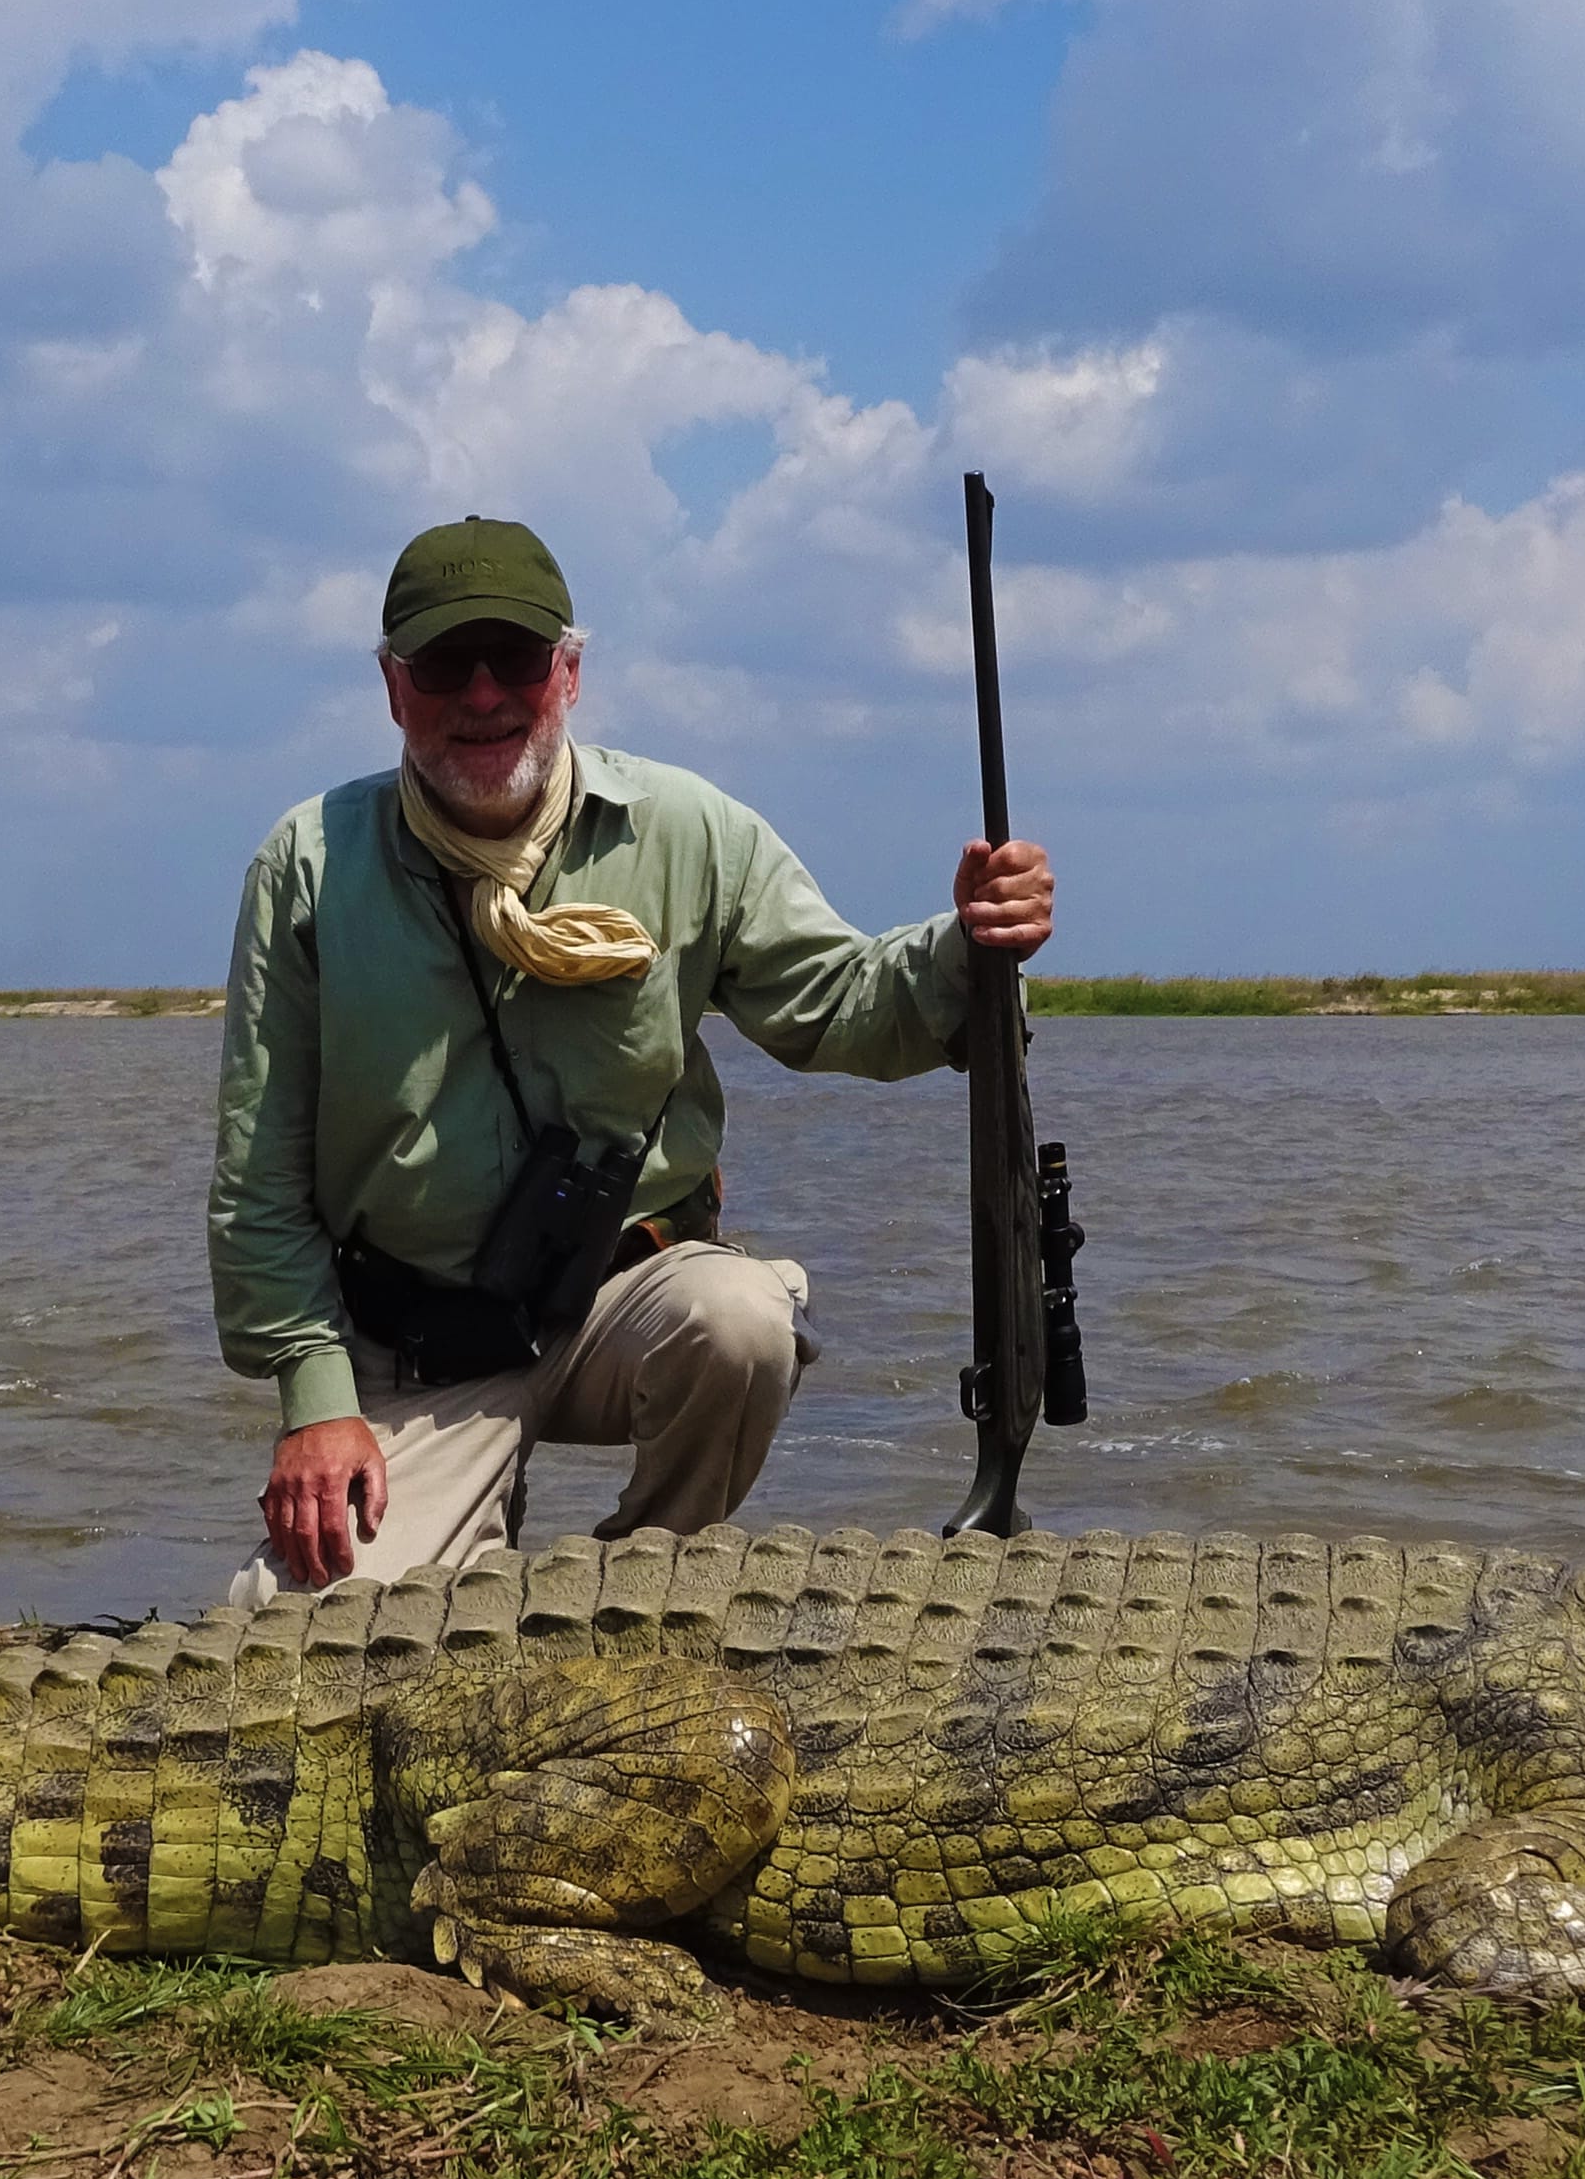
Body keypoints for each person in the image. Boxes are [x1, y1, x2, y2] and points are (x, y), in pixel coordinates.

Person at [209, 513, 1057, 1596]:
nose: (481, 695)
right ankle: (462, 1551)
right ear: (391, 686)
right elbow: (257, 1179)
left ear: (567, 672)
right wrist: (314, 1401)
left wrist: (968, 942)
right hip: (410, 1345)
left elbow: (842, 1006)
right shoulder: (308, 866)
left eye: (513, 658)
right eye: (442, 664)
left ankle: (637, 1592)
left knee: (742, 1321)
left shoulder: (690, 832)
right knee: (285, 1622)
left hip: (621, 1302)